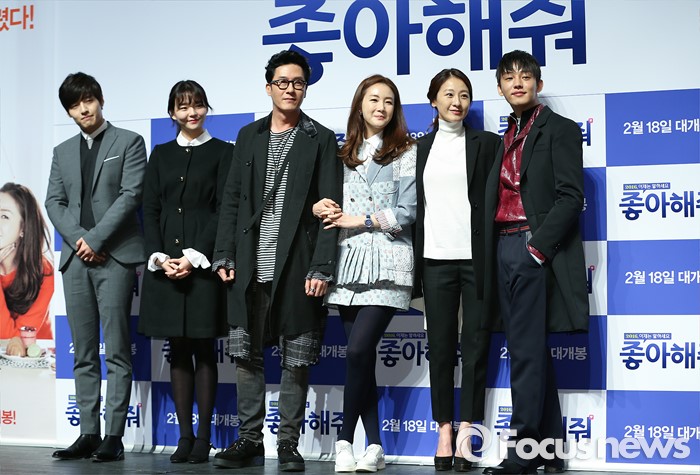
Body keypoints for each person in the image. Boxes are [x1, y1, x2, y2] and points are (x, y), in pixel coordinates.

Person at [211, 50, 342, 472]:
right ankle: (249, 440)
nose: (290, 89)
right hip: (249, 263)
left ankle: (288, 444)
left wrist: (322, 266)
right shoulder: (248, 135)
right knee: (246, 355)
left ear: (306, 88)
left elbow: (331, 209)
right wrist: (224, 253)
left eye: (298, 82)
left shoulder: (320, 138)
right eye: (282, 82)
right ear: (268, 87)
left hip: (297, 263)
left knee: (295, 358)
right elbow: (232, 199)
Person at [482, 50, 589, 475]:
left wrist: (537, 249)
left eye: (525, 76)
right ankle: (551, 449)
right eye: (509, 77)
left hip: (531, 246)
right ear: (500, 88)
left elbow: (571, 197)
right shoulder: (505, 134)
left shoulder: (560, 129)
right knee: (531, 351)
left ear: (538, 84)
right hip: (502, 246)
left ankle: (522, 452)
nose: (518, 82)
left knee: (525, 353)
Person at [313, 74, 417, 473]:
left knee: (357, 351)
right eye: (374, 99)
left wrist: (361, 219)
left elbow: (408, 212)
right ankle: (374, 446)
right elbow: (324, 200)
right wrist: (319, 207)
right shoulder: (343, 153)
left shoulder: (406, 151)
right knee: (362, 359)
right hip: (348, 264)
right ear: (360, 105)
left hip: (389, 264)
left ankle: (343, 440)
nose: (381, 107)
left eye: (388, 101)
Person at [46, 72, 147, 463]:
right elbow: (54, 202)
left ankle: (113, 436)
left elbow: (130, 195)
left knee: (117, 350)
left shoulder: (129, 142)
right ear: (68, 112)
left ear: (100, 100)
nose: (83, 109)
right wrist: (80, 241)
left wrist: (97, 240)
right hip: (76, 260)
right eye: (75, 105)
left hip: (115, 256)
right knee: (83, 351)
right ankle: (88, 432)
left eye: (88, 100)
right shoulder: (62, 151)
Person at [138, 80, 232, 464]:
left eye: (198, 105)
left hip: (203, 266)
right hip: (165, 265)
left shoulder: (223, 152)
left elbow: (223, 209)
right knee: (177, 349)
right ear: (172, 113)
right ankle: (184, 437)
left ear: (206, 108)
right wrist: (160, 257)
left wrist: (194, 257)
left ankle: (204, 437)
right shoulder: (160, 154)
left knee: (204, 349)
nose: (192, 112)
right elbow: (150, 209)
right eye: (183, 106)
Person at [414, 69, 500, 472]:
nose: (457, 102)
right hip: (434, 259)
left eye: (464, 94)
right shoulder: (418, 148)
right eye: (448, 94)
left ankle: (467, 430)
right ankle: (444, 430)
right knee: (441, 349)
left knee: (476, 346)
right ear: (433, 100)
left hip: (476, 259)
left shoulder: (488, 143)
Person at [0, 183, 54, 340]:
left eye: (4, 216)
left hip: (36, 352)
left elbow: (14, 340)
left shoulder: (43, 271)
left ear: (23, 228)